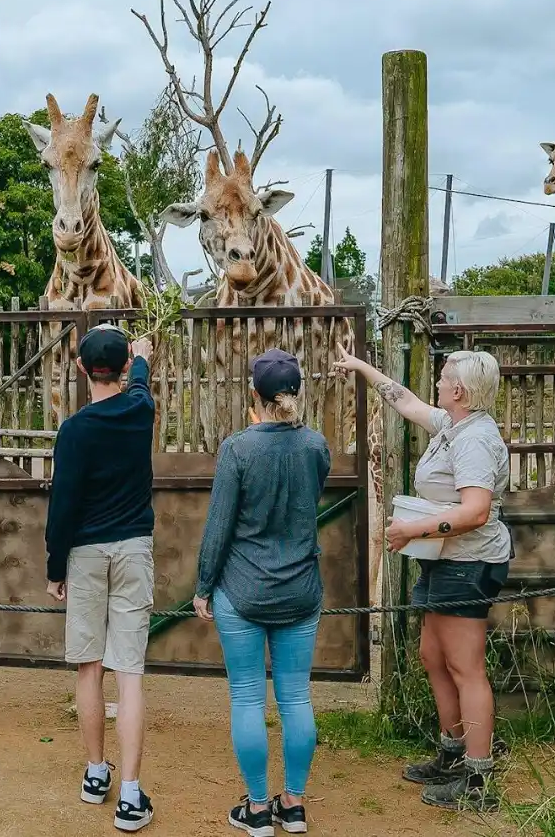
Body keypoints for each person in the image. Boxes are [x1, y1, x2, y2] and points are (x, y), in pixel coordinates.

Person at [332, 344, 510, 812]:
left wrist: (413, 529)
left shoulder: (475, 440)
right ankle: (453, 752)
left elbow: (476, 511)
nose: (437, 381)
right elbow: (406, 401)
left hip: (469, 562)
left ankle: (477, 777)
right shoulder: (453, 424)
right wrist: (361, 367)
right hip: (445, 559)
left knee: (466, 667)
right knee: (433, 655)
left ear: (460, 390)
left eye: (444, 376)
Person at [193, 349, 330, 837]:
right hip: (300, 590)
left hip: (242, 590)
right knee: (296, 698)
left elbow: (219, 525)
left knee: (248, 698)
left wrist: (204, 586)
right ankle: (293, 805)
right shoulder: (315, 446)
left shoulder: (237, 449)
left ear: (254, 394)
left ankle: (256, 810)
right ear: (298, 393)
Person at [44, 324, 156, 832]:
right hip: (133, 548)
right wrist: (143, 356)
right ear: (123, 367)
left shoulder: (74, 430)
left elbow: (63, 504)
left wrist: (55, 568)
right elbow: (142, 383)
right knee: (129, 672)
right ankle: (130, 796)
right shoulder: (140, 411)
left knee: (89, 668)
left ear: (82, 368)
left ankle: (95, 773)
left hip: (86, 553)